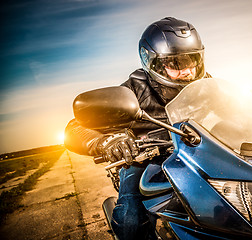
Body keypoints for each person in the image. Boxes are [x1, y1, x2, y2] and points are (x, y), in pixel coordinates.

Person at [64, 17, 211, 239]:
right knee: (131, 220)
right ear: (154, 63)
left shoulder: (207, 83)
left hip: (199, 154)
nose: (188, 71)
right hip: (147, 160)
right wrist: (107, 141)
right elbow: (76, 127)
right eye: (177, 64)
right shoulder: (135, 88)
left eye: (192, 60)